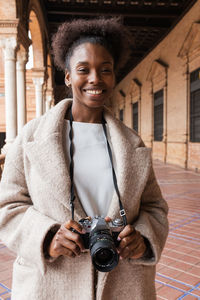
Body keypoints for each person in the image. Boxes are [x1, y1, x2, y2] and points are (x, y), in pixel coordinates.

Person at [0, 17, 168, 300]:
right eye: (83, 69)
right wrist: (47, 237)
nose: (95, 79)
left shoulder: (132, 143)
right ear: (67, 76)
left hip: (123, 285)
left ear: (114, 76)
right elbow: (8, 207)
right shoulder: (31, 138)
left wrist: (142, 239)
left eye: (105, 70)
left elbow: (155, 208)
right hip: (50, 286)